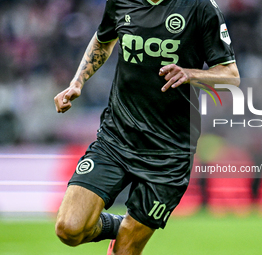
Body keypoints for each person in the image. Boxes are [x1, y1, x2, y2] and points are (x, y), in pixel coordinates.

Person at [54, 0, 240, 254]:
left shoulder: (201, 7)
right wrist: (78, 82)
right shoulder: (120, 1)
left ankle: (130, 231)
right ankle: (123, 226)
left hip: (170, 151)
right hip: (117, 137)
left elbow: (230, 75)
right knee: (68, 228)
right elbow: (103, 39)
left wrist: (190, 74)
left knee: (125, 249)